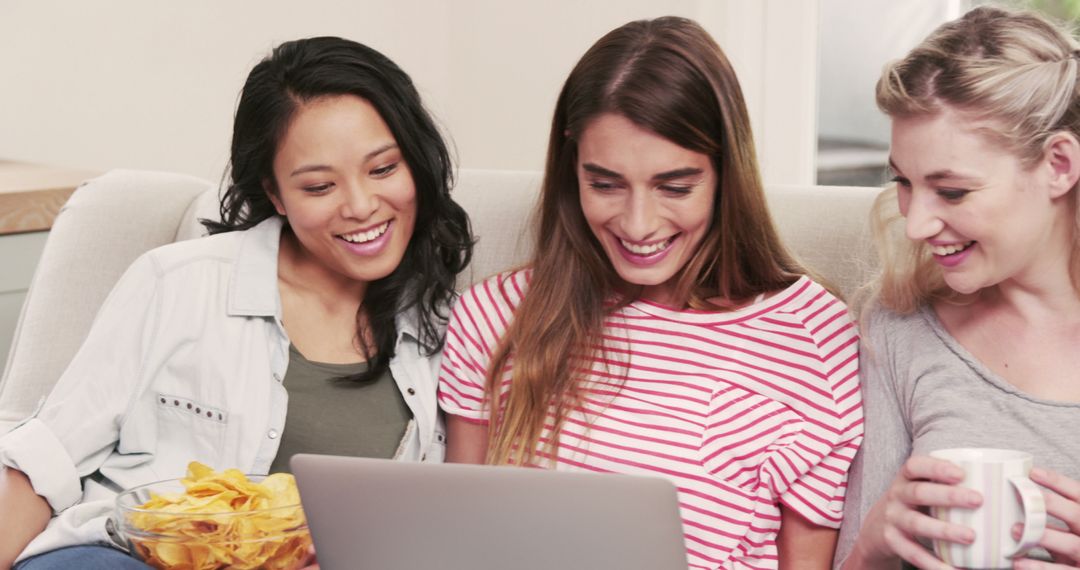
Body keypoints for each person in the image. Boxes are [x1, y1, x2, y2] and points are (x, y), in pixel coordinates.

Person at [0, 36, 472, 569]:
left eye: (383, 170)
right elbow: (46, 460)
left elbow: (449, 518)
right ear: (275, 194)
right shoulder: (178, 283)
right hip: (125, 555)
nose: (361, 206)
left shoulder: (454, 327)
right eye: (319, 187)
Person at [437, 16, 863, 570]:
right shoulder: (496, 315)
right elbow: (453, 541)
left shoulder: (810, 335)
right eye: (605, 183)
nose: (638, 225)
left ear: (725, 174)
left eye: (675, 187)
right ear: (572, 168)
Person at [834, 7, 1080, 570]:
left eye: (951, 192)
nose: (916, 225)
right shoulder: (899, 329)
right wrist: (873, 546)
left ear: (1059, 165)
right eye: (903, 181)